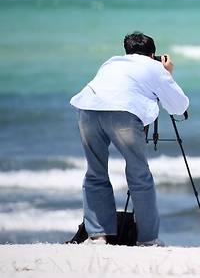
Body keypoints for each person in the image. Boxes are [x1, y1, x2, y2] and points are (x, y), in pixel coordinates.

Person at [70, 32, 189, 246]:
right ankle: (148, 240)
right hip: (122, 114)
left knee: (95, 172)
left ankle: (97, 236)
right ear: (152, 54)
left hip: (87, 108)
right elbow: (179, 106)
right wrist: (168, 74)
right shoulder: (154, 67)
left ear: (127, 51)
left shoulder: (111, 62)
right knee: (139, 175)